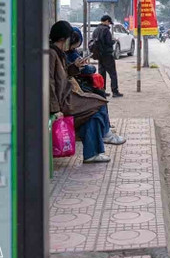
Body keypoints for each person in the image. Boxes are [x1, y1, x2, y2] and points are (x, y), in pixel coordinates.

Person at [48, 22, 124, 164]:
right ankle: (103, 137)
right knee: (99, 104)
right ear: (63, 39)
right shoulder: (52, 54)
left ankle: (92, 153)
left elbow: (64, 74)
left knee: (94, 113)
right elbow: (50, 83)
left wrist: (75, 67)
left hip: (69, 96)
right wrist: (55, 109)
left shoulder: (59, 53)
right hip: (64, 101)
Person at [91, 15, 122, 98]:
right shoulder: (106, 30)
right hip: (107, 55)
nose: (109, 24)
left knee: (101, 73)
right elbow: (108, 42)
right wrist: (114, 41)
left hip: (99, 55)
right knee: (112, 74)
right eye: (109, 22)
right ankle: (115, 91)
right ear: (107, 21)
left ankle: (102, 91)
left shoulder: (96, 30)